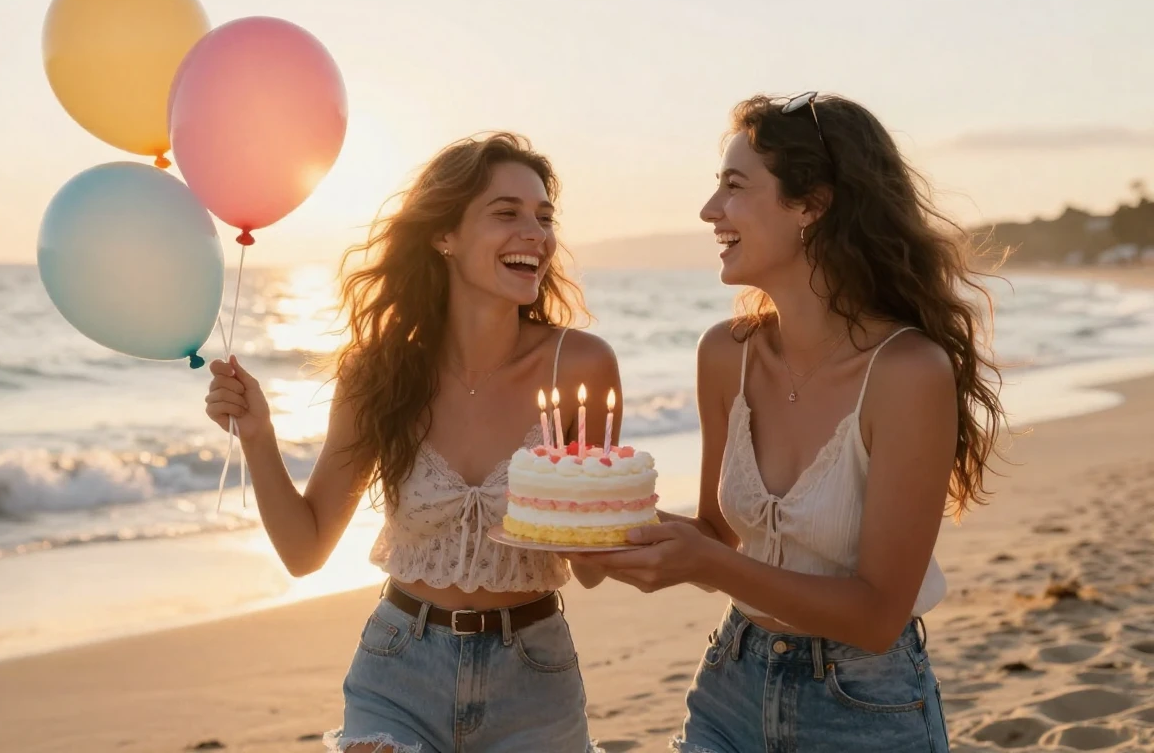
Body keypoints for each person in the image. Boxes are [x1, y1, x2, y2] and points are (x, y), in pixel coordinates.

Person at [579, 93, 1006, 752]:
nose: (708, 210)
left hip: (863, 706)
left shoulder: (907, 373)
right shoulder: (725, 353)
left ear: (813, 205)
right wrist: (616, 534)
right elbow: (722, 536)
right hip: (730, 683)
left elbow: (875, 615)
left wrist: (709, 561)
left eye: (734, 186)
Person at [205, 132, 617, 753]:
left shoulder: (580, 366)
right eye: (506, 214)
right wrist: (259, 437)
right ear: (443, 235)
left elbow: (590, 572)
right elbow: (304, 550)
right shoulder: (380, 371)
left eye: (543, 217)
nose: (535, 233)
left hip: (534, 678)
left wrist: (598, 512)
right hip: (397, 670)